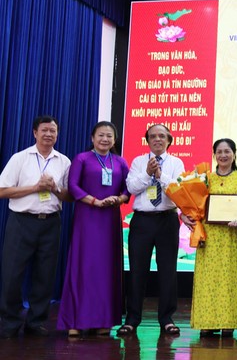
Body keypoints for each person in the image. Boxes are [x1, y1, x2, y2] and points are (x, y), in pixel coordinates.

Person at [0, 115, 72, 338]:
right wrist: (35, 188)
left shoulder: (64, 161)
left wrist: (55, 189)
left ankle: (36, 322)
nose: (49, 134)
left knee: (45, 275)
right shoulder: (20, 158)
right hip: (22, 222)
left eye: (53, 131)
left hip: (51, 223)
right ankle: (10, 322)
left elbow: (69, 196)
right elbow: (2, 190)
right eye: (44, 130)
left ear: (57, 134)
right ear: (35, 133)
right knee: (12, 274)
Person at [57, 121, 131, 337]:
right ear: (92, 138)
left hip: (110, 219)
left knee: (106, 269)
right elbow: (73, 186)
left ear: (114, 140)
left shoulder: (120, 161)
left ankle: (103, 320)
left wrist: (119, 199)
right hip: (87, 218)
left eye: (109, 136)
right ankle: (75, 321)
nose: (105, 139)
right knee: (83, 266)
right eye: (101, 135)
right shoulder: (81, 158)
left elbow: (128, 188)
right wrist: (94, 201)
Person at [118, 124, 185, 336]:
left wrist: (160, 175)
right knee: (137, 271)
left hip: (167, 219)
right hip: (142, 221)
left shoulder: (176, 163)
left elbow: (178, 190)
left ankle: (166, 319)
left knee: (168, 271)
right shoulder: (139, 162)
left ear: (169, 140)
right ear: (147, 141)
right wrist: (148, 173)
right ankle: (132, 319)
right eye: (153, 136)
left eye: (162, 136)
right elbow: (131, 188)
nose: (157, 139)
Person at [181, 138, 237, 338]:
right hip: (208, 235)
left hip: (230, 236)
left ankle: (228, 322)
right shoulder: (206, 179)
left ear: (234, 154)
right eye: (219, 152)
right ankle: (206, 321)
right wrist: (185, 215)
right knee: (207, 279)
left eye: (227, 151)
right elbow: (193, 205)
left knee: (229, 278)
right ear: (214, 155)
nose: (223, 155)